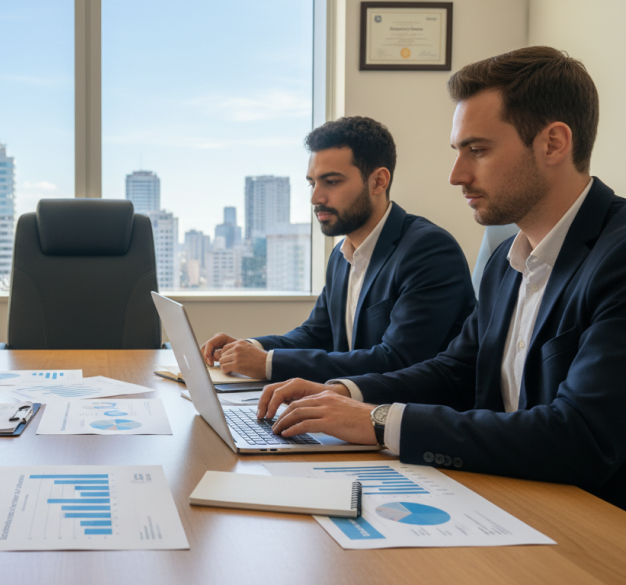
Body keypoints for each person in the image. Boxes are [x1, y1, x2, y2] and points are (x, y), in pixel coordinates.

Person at [258, 47, 626, 509]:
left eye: (477, 150)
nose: (457, 175)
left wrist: (377, 421)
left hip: (592, 524)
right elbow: (455, 372)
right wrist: (343, 393)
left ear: (553, 143)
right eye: (459, 151)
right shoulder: (504, 264)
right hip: (507, 496)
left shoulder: (617, 256)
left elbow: (582, 437)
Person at [201, 117, 476, 383]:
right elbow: (315, 334)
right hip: (347, 408)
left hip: (407, 418)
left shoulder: (428, 251)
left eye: (331, 182)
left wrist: (268, 363)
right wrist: (249, 347)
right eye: (312, 183)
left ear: (378, 181)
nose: (315, 198)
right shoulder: (342, 255)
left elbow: (398, 360)